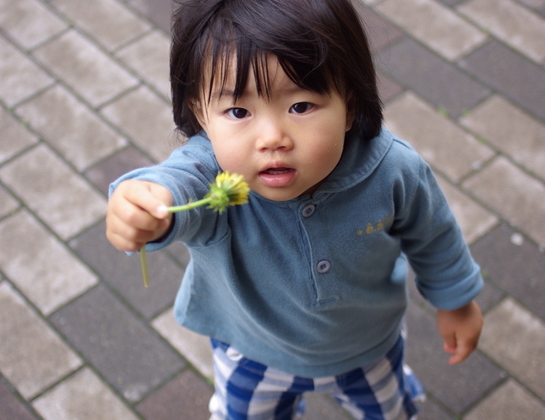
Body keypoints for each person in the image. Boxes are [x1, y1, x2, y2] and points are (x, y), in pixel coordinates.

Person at [106, 0, 484, 418]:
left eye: (301, 106)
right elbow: (175, 188)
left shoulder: (393, 170)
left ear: (351, 104)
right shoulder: (213, 179)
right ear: (200, 112)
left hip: (368, 347)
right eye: (238, 111)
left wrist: (456, 301)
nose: (272, 138)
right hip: (251, 351)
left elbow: (433, 235)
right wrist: (147, 206)